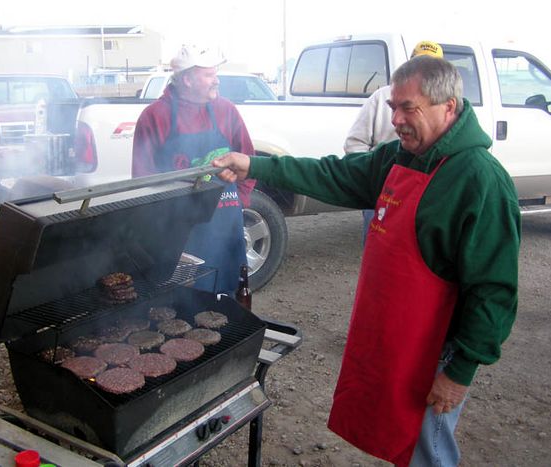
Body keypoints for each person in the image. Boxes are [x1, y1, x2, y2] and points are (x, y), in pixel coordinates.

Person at [212, 55, 520, 466]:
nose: (395, 119)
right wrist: (253, 163)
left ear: (448, 107)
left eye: (408, 107)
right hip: (392, 338)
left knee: (426, 447)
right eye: (393, 106)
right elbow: (333, 175)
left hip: (435, 352)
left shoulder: (479, 179)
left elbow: (494, 291)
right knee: (396, 440)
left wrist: (459, 372)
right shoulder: (399, 156)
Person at [131, 44, 255, 294]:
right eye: (209, 75)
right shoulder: (155, 116)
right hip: (180, 232)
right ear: (187, 79)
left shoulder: (226, 110)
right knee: (181, 302)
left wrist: (240, 199)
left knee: (229, 296)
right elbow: (142, 180)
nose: (216, 81)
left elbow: (248, 158)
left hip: (225, 224)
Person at [344, 41, 444, 244]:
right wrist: (375, 175)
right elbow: (354, 144)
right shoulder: (381, 98)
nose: (396, 120)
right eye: (420, 65)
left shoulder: (443, 106)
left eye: (432, 68)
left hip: (422, 197)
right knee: (377, 246)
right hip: (383, 194)